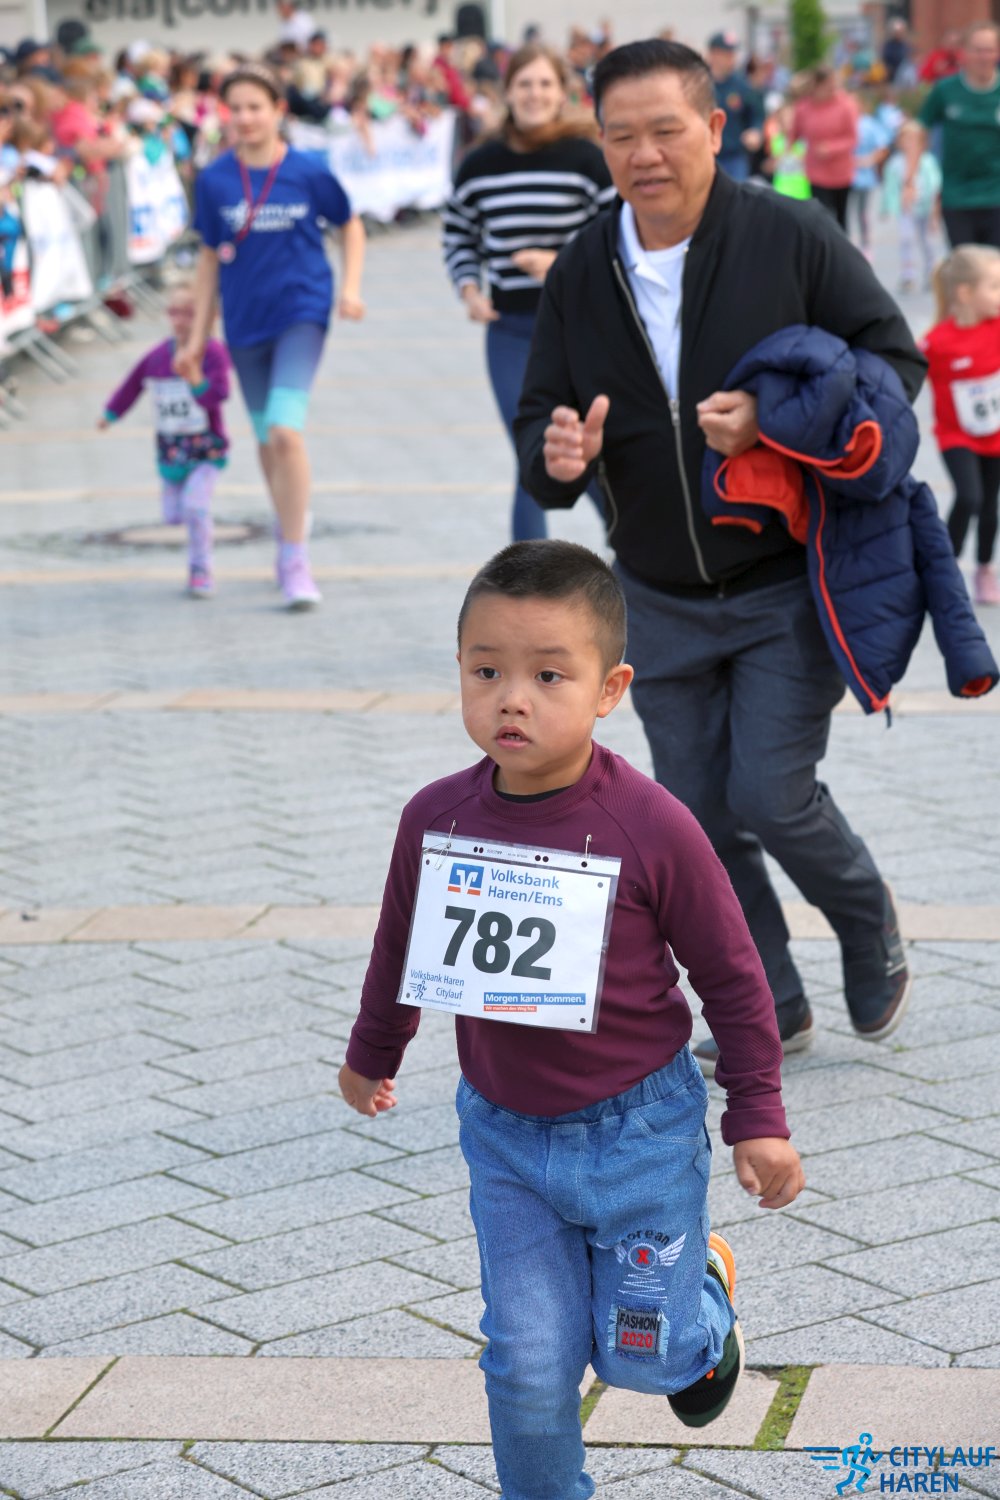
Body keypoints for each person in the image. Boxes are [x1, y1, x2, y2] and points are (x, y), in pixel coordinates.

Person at [339, 538, 805, 1500]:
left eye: (549, 676)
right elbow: (401, 947)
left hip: (641, 1133)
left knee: (646, 1358)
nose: (512, 699)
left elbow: (732, 975)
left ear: (609, 690)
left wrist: (756, 1113)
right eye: (487, 672)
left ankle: (703, 1302)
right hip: (505, 1139)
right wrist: (373, 1052)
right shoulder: (436, 819)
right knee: (527, 1361)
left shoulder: (651, 824)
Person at [514, 39, 925, 1071]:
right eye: (621, 136)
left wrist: (773, 423)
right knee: (696, 817)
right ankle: (768, 1001)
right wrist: (555, 456)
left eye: (666, 130)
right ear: (599, 143)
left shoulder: (789, 234)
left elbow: (893, 360)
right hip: (653, 593)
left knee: (769, 793)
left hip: (783, 580)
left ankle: (865, 913)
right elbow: (540, 415)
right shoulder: (584, 266)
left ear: (713, 127)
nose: (644, 154)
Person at [175, 61, 366, 610]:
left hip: (302, 313)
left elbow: (350, 224)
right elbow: (209, 260)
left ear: (279, 110)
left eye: (255, 107)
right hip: (244, 322)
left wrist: (350, 288)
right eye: (235, 108)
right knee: (265, 438)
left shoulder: (308, 171)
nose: (245, 118)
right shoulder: (214, 179)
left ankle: (294, 556)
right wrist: (196, 338)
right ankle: (289, 522)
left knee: (285, 431)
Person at [441, 42, 614, 541]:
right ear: (508, 92)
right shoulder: (480, 163)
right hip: (512, 330)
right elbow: (458, 233)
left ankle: (632, 551)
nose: (534, 94)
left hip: (583, 328)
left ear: (562, 93)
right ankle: (528, 572)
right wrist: (469, 288)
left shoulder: (589, 159)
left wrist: (560, 263)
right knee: (532, 448)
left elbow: (618, 236)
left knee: (583, 446)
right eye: (524, 84)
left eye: (544, 84)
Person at [97, 284, 230, 598]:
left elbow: (219, 395)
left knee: (195, 507)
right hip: (171, 452)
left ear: (208, 317)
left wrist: (196, 379)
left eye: (189, 314)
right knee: (173, 516)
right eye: (174, 313)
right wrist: (111, 413)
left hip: (207, 451)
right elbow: (132, 385)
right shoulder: (157, 356)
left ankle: (200, 568)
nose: (180, 321)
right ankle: (194, 530)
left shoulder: (213, 353)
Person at [921, 246, 1000, 606]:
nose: (999, 295)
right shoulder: (937, 342)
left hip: (995, 436)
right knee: (969, 497)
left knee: (989, 506)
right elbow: (904, 369)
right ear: (965, 293)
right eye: (994, 287)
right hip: (956, 436)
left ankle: (984, 569)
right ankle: (945, 571)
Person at [919, 23, 1000, 251]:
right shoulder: (945, 90)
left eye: (989, 50)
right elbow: (920, 128)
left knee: (995, 266)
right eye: (977, 50)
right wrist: (911, 177)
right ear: (964, 53)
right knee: (965, 264)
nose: (983, 56)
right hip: (958, 196)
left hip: (996, 194)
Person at [792, 64, 858, 229]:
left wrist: (831, 148)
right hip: (816, 172)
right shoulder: (804, 108)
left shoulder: (845, 105)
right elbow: (794, 134)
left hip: (841, 172)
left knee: (841, 219)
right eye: (828, 87)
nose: (832, 91)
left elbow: (853, 138)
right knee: (821, 218)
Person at [881, 119, 941, 293]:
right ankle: (908, 274)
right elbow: (890, 186)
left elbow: (935, 185)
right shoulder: (896, 163)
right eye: (905, 139)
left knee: (927, 241)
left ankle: (931, 272)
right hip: (906, 209)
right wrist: (886, 207)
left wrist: (935, 210)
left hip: (925, 207)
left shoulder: (928, 161)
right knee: (906, 240)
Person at [705, 31, 763, 181]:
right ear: (713, 54)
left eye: (732, 54)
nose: (731, 59)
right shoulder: (700, 83)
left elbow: (756, 114)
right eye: (726, 54)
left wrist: (755, 131)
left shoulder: (742, 85)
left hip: (734, 156)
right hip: (705, 155)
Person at [850, 104, 888, 260]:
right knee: (845, 213)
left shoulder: (869, 124)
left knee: (862, 213)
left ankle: (865, 245)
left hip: (864, 179)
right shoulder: (840, 122)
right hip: (843, 177)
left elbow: (883, 148)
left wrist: (869, 160)